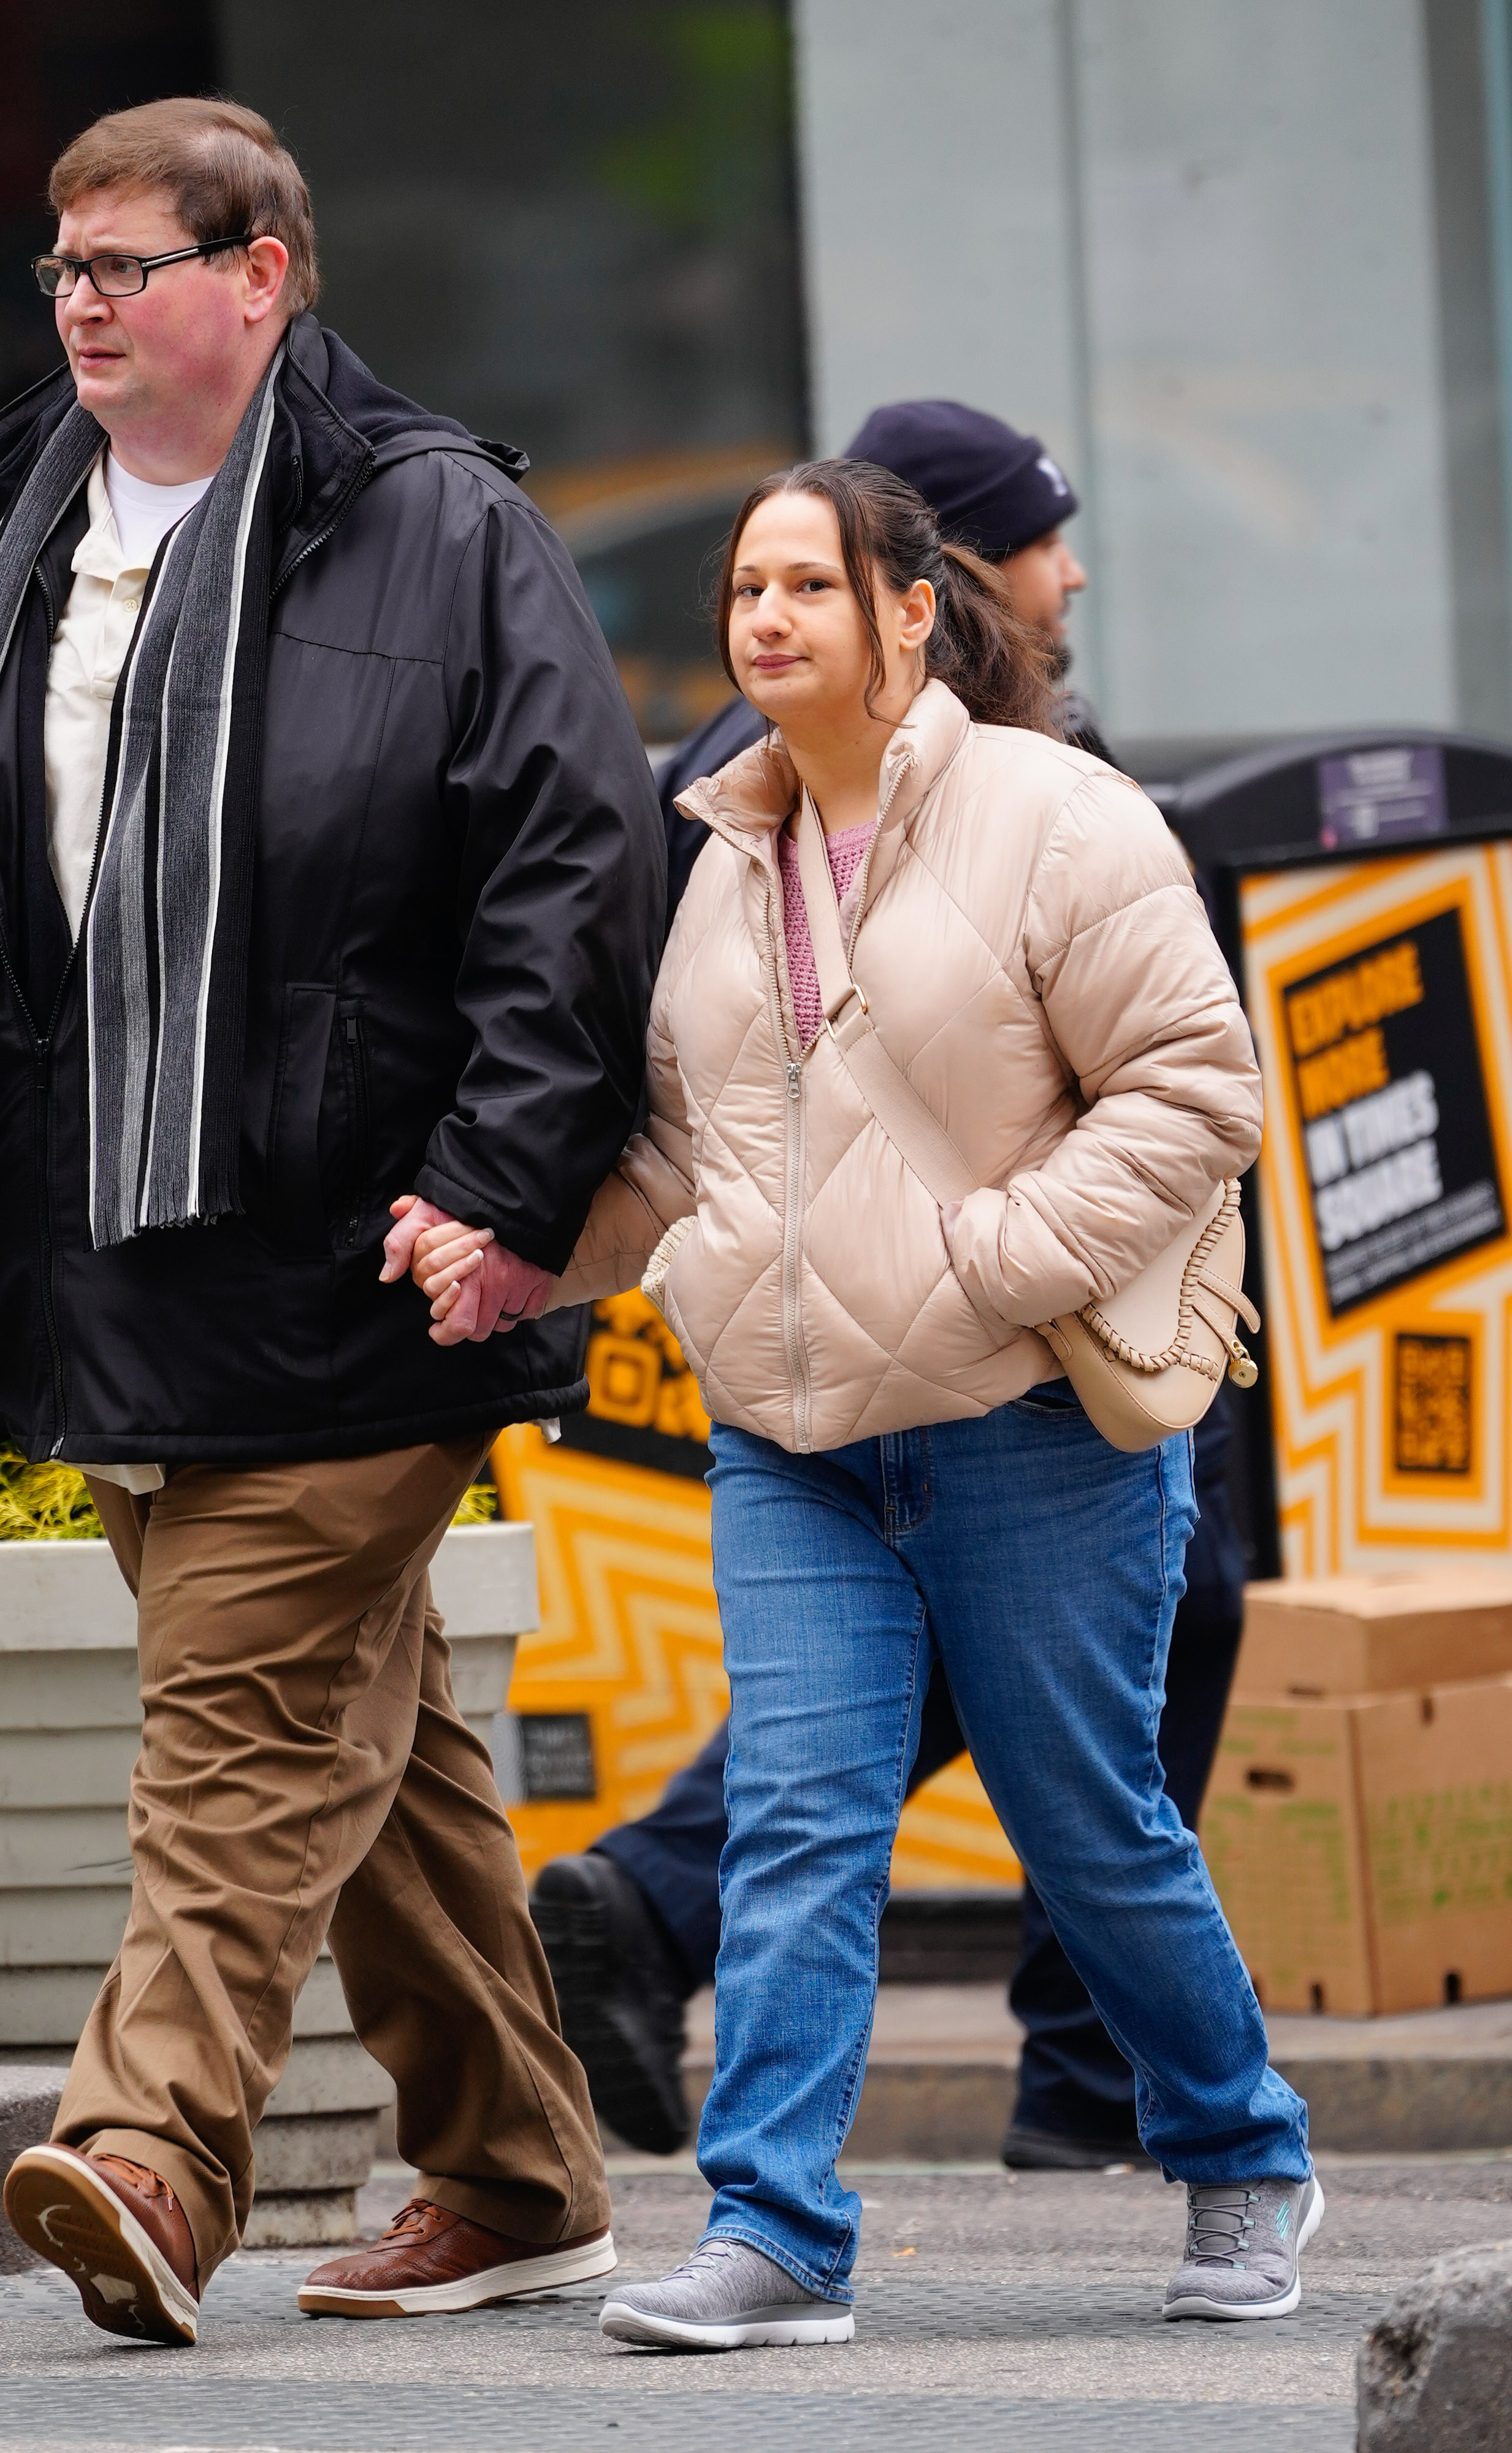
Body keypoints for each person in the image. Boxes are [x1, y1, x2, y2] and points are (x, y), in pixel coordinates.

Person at [0, 97, 662, 2346]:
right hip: (95, 1258)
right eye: (61, 274)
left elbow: (572, 872)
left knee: (240, 1725)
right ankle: (514, 2172)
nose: (83, 308)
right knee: (360, 1749)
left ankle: (153, 2150)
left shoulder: (435, 524)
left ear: (262, 272)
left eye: (127, 266)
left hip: (369, 1258)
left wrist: (494, 1176)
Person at [413, 459, 1316, 2346]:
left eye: (807, 585)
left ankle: (1239, 2155)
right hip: (792, 1443)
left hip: (1029, 1432)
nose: (764, 619)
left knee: (1086, 1829)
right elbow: (678, 1154)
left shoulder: (1054, 818)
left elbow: (1193, 1090)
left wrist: (989, 1264)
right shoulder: (718, 857)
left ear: (911, 611)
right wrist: (520, 1257)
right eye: (746, 587)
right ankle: (775, 2236)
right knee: (803, 1819)